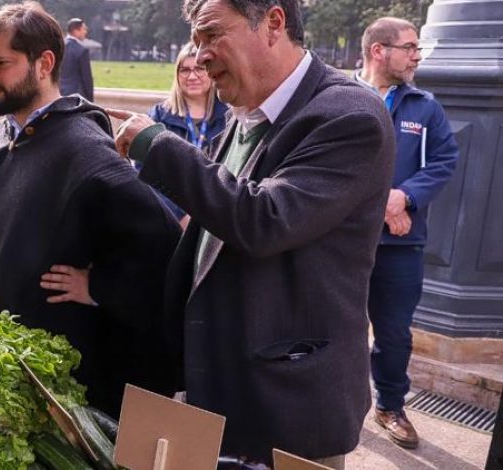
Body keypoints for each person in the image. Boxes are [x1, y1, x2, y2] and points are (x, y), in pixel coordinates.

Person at [110, 0, 396, 467]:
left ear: (273, 23)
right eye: (196, 40)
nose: (199, 55)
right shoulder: (245, 112)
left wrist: (157, 144)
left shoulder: (349, 115)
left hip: (287, 406)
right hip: (223, 391)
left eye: (211, 35)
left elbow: (264, 219)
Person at [0, 2, 181, 417]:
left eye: (2, 63)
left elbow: (162, 246)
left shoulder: (89, 154)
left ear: (44, 63)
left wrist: (100, 287)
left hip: (54, 390)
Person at [356, 17, 459, 450]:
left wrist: (406, 199)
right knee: (329, 327)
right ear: (380, 51)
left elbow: (444, 160)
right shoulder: (337, 97)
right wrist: (383, 204)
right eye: (410, 46)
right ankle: (330, 403)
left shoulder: (425, 106)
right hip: (343, 240)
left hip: (401, 244)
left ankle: (390, 406)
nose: (418, 54)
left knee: (394, 332)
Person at [147, 43, 229, 225]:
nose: (192, 76)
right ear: (177, 75)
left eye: (199, 69)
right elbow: (144, 172)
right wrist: (179, 215)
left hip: (218, 219)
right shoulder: (159, 117)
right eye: (184, 70)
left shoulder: (229, 118)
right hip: (169, 221)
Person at [58, 18, 94, 101]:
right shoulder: (81, 50)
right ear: (75, 31)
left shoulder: (58, 47)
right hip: (77, 96)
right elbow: (86, 78)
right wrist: (90, 100)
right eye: (83, 29)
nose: (85, 32)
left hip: (59, 94)